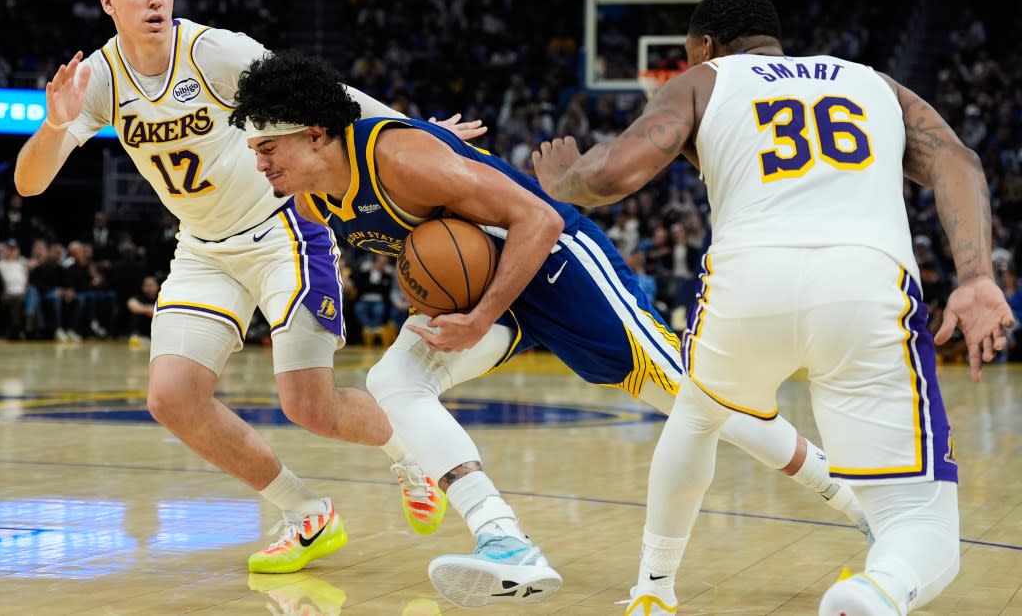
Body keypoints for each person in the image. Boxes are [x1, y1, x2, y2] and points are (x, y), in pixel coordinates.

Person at [229, 50, 871, 608]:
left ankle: (862, 505)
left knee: (698, 401)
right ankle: (504, 540)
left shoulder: (400, 159)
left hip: (554, 263)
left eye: (267, 147)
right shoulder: (315, 193)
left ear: (316, 135)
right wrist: (437, 155)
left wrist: (475, 310)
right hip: (487, 286)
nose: (259, 162)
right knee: (394, 377)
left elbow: (540, 220)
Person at [531, 0, 1014, 616]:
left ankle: (653, 590)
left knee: (698, 417)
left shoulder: (705, 80)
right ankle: (874, 592)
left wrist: (561, 178)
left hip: (749, 284)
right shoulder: (874, 84)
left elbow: (613, 175)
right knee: (919, 520)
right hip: (867, 284)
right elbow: (957, 159)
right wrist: (976, 276)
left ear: (704, 45)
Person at [13, 0, 485, 574]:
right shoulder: (96, 80)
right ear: (108, 2)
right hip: (203, 249)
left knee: (307, 405)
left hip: (279, 231)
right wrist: (52, 126)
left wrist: (418, 136)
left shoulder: (212, 51)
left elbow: (323, 92)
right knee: (172, 398)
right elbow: (29, 184)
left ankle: (408, 452)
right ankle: (304, 513)